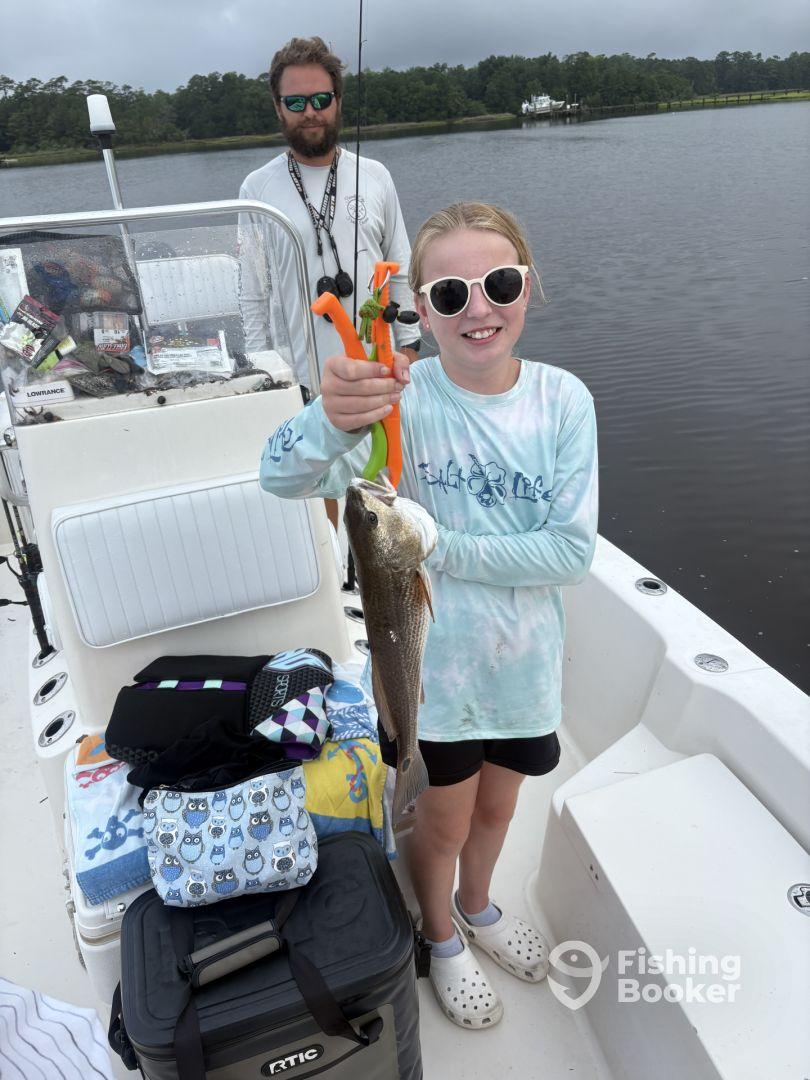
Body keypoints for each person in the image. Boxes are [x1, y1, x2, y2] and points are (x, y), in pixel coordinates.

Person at [258, 202, 598, 1029]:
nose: (478, 308)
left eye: (500, 284)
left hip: (523, 669)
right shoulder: (396, 394)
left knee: (498, 809)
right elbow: (279, 475)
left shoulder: (563, 401)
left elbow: (571, 553)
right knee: (440, 818)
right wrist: (327, 416)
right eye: (449, 295)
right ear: (420, 307)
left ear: (528, 288)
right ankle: (438, 934)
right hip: (430, 680)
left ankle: (478, 905)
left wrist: (436, 545)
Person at [238, 35, 421, 388]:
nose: (310, 112)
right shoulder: (256, 188)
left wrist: (409, 347)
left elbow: (400, 268)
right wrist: (263, 373)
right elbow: (253, 293)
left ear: (337, 101)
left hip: (378, 371)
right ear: (278, 107)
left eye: (321, 99)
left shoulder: (376, 176)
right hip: (299, 383)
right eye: (295, 102)